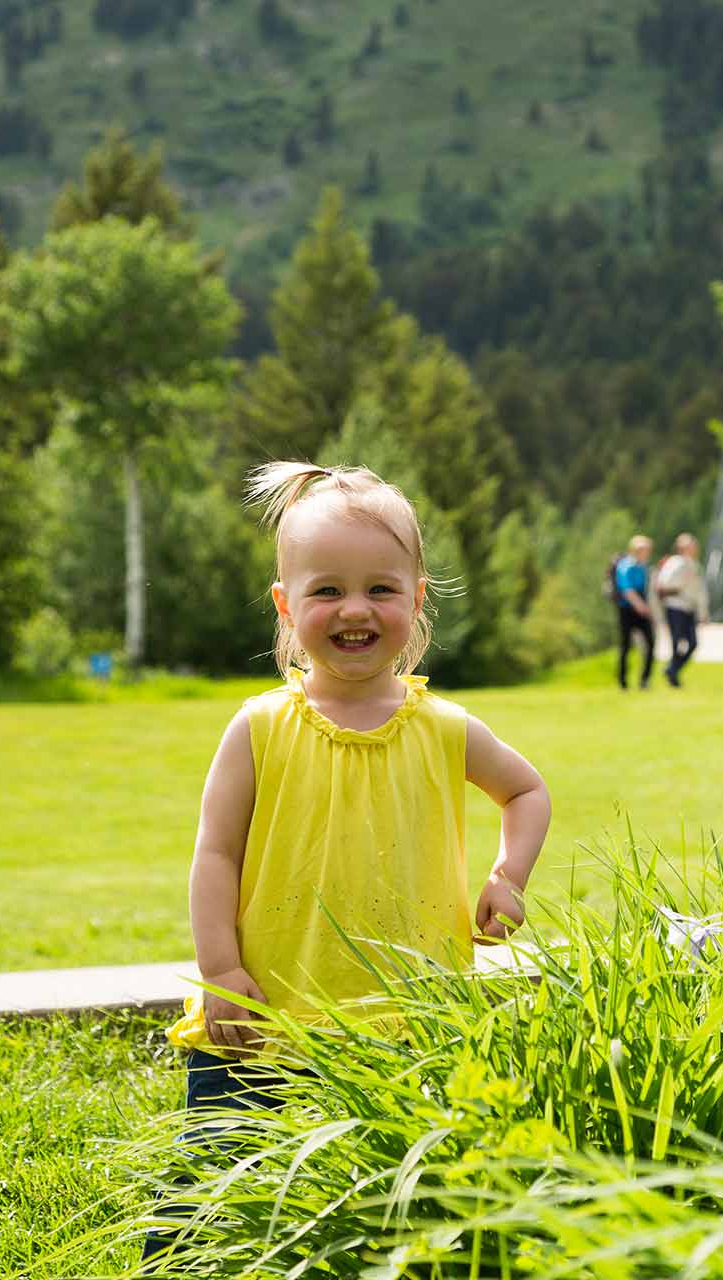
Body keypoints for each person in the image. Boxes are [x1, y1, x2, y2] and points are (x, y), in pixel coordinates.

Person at [146, 460, 549, 1259]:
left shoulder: (447, 728)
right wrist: (220, 972)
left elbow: (527, 791)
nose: (354, 609)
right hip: (261, 1013)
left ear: (417, 598)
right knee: (213, 1178)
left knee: (402, 1194)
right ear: (287, 607)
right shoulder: (258, 728)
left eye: (381, 589)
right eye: (327, 590)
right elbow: (215, 854)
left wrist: (508, 875)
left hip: (408, 1020)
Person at [654, 532, 710, 687]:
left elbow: (700, 592)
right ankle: (673, 676)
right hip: (675, 606)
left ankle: (673, 669)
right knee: (676, 642)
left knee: (692, 643)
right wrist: (680, 587)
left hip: (689, 608)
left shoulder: (696, 566)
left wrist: (703, 612)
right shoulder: (675, 563)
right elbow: (664, 584)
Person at [614, 534, 656, 690]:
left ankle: (645, 680)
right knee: (625, 646)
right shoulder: (626, 566)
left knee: (651, 644)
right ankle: (623, 681)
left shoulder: (644, 567)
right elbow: (627, 590)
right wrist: (642, 607)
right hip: (627, 609)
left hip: (642, 610)